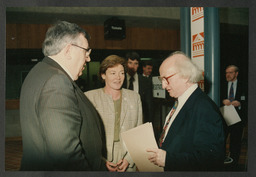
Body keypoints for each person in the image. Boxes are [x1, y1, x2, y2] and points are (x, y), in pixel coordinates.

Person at [19, 21, 107, 171]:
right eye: (86, 51)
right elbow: (66, 156)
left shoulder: (40, 71)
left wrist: (99, 162)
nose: (88, 59)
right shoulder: (56, 82)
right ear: (68, 50)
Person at [147, 51, 225, 171]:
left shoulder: (205, 109)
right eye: (161, 79)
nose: (163, 85)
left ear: (185, 76)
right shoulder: (181, 101)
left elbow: (210, 159)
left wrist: (168, 159)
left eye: (166, 79)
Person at [85, 55, 143, 172]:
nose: (118, 77)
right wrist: (100, 160)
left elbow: (139, 132)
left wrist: (129, 159)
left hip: (127, 156)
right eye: (113, 73)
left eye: (121, 73)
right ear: (103, 75)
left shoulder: (134, 97)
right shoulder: (90, 98)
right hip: (100, 157)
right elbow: (86, 136)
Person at [221, 65, 247, 168]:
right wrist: (223, 101)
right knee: (221, 139)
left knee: (235, 142)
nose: (227, 75)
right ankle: (222, 159)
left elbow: (249, 100)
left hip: (237, 118)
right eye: (226, 72)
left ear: (236, 73)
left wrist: (240, 103)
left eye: (230, 72)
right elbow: (216, 97)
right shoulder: (221, 84)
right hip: (224, 116)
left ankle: (234, 163)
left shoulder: (244, 85)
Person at [122, 51, 153, 123]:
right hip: (123, 119)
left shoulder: (146, 82)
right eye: (130, 63)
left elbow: (149, 105)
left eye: (135, 63)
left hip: (140, 119)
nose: (133, 66)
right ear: (126, 64)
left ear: (138, 65)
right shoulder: (120, 80)